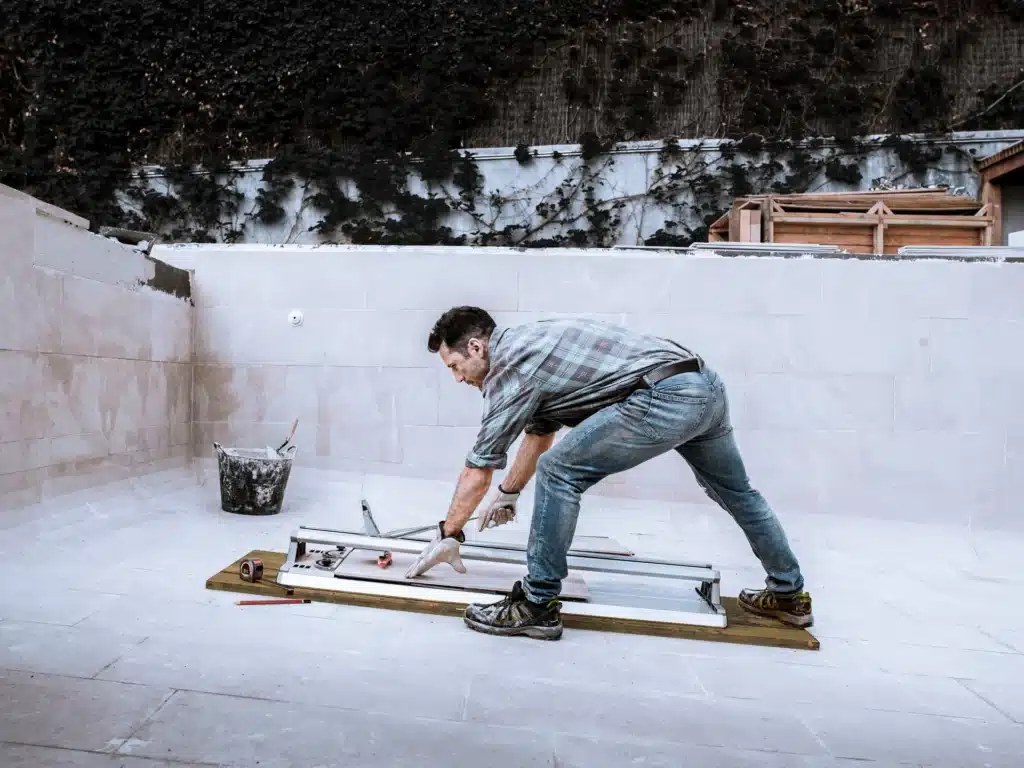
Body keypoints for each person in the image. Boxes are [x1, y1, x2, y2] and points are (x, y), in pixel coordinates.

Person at [405, 306, 812, 640]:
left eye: (455, 366)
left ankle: (537, 604)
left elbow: (479, 467)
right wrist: (510, 493)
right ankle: (789, 595)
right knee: (737, 493)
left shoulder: (511, 366)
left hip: (663, 395)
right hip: (703, 386)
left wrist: (449, 534)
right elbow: (540, 432)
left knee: (559, 472)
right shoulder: (534, 340)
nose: (458, 378)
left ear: (476, 347)